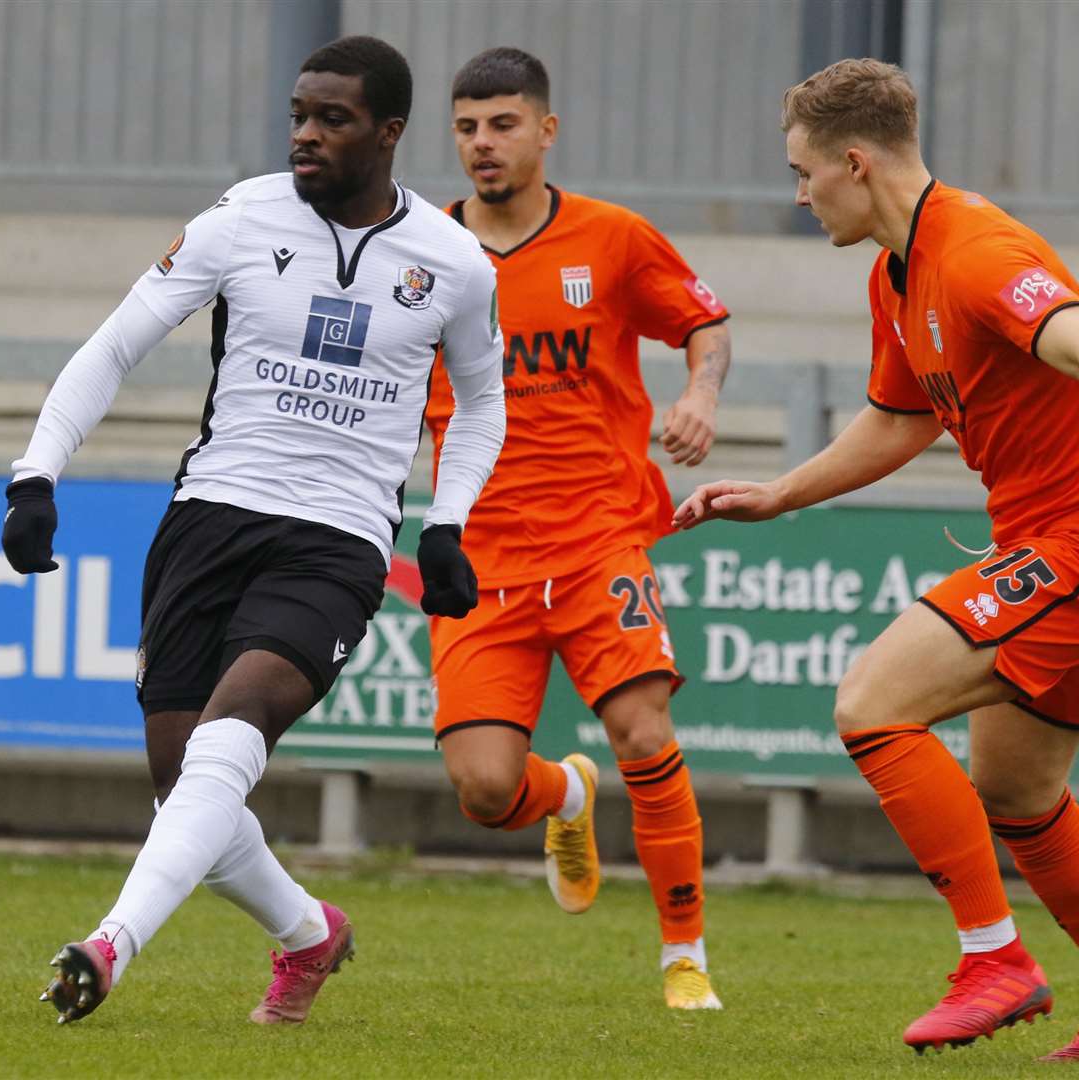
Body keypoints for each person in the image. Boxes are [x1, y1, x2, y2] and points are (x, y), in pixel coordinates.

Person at [674, 58, 1079, 1063]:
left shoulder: (976, 252)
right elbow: (898, 421)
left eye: (803, 172)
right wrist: (779, 494)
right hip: (1055, 546)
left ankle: (993, 959)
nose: (798, 193)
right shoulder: (896, 274)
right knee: (1016, 790)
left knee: (872, 699)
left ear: (856, 162)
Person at [1, 35, 504, 1026]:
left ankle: (109, 945)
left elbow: (483, 404)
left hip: (339, 539)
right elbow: (115, 346)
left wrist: (448, 523)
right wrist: (34, 473)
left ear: (389, 132)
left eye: (333, 120)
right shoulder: (241, 218)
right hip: (209, 520)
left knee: (234, 735)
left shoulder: (453, 263)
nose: (306, 136)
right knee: (183, 787)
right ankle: (310, 933)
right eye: (299, 116)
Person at [424, 47, 732, 1010]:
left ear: (544, 131)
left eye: (503, 124)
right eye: (468, 126)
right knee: (482, 789)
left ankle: (684, 956)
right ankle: (562, 795)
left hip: (600, 536)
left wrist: (700, 392)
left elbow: (703, 323)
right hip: (477, 555)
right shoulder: (418, 251)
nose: (483, 144)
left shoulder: (612, 239)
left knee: (642, 730)